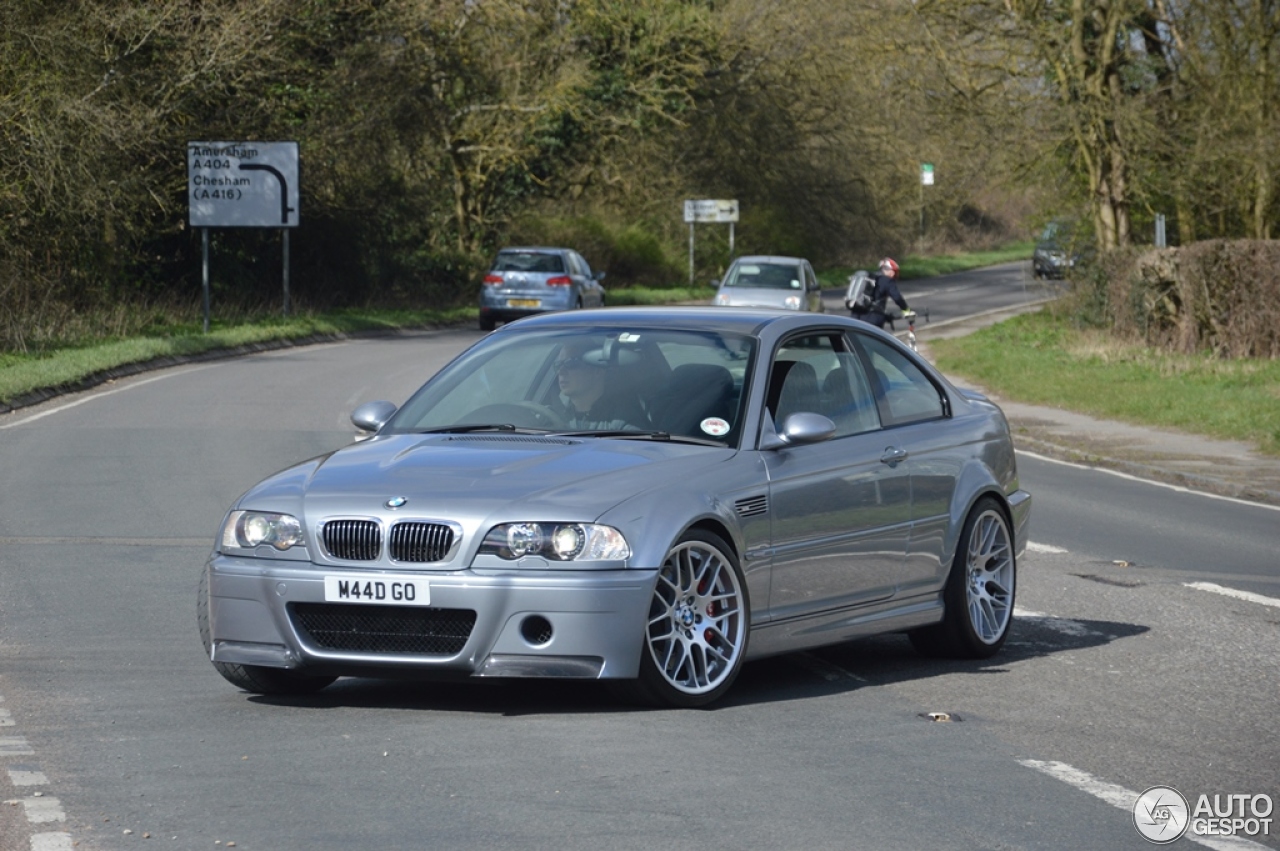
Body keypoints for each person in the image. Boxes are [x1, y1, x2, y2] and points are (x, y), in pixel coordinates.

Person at [553, 339, 648, 431]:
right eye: (558, 364)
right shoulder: (553, 416)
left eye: (570, 363)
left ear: (598, 370)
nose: (561, 371)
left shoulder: (624, 423)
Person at [851, 257, 910, 329]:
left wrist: (886, 316)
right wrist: (906, 310)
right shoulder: (887, 280)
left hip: (855, 316)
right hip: (873, 319)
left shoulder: (871, 279)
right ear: (891, 271)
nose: (894, 275)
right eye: (895, 272)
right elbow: (897, 297)